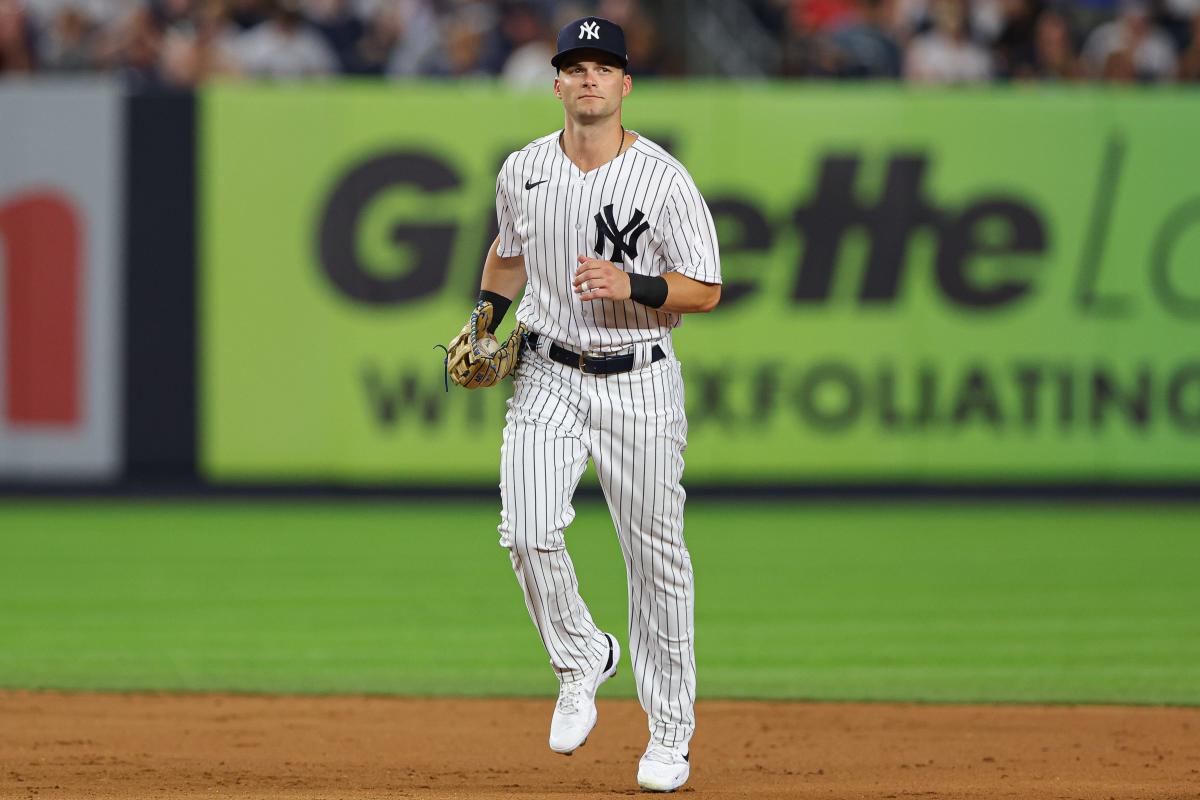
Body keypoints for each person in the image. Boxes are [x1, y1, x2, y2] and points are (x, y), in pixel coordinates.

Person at [452, 15, 720, 793]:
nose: (590, 78)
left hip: (639, 378)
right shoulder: (524, 170)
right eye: (576, 66)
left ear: (626, 84)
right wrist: (483, 322)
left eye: (604, 67)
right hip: (548, 375)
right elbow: (507, 258)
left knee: (654, 560)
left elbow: (705, 288)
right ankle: (580, 656)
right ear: (558, 81)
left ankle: (669, 735)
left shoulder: (664, 179)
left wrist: (630, 284)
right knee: (527, 529)